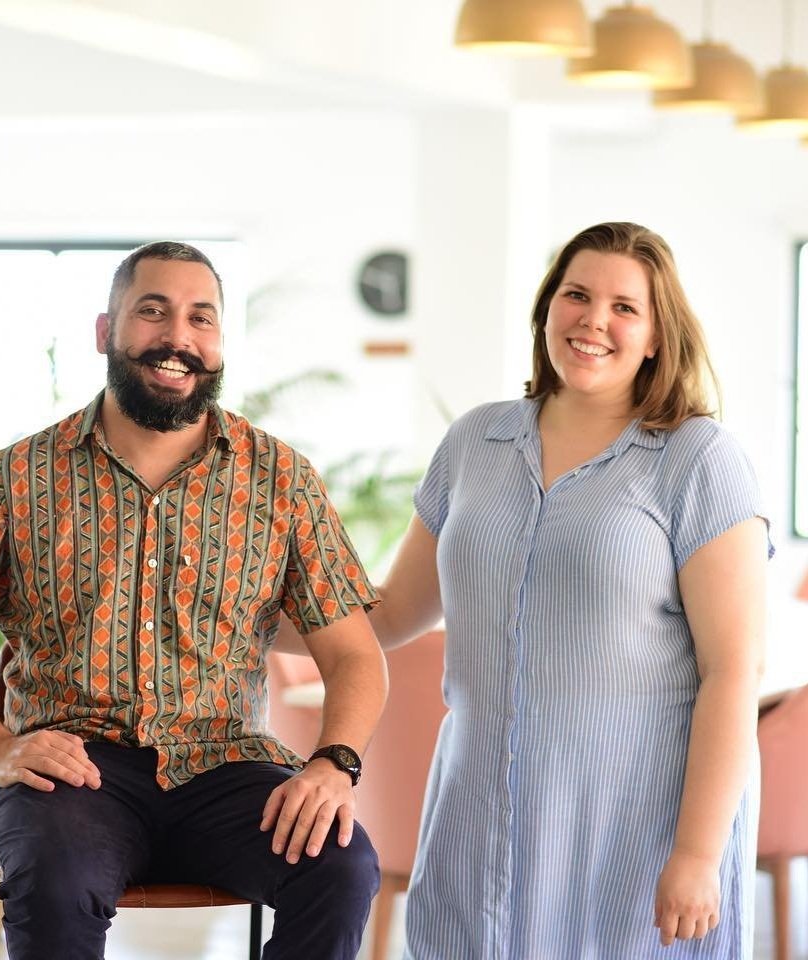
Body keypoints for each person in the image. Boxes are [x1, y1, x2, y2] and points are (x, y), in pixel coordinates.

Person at [0, 241, 388, 960]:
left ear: (218, 341)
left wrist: (331, 764)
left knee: (342, 868)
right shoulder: (20, 476)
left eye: (200, 319)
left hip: (228, 768)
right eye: (152, 312)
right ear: (106, 331)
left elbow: (352, 655)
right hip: (73, 771)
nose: (177, 337)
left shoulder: (282, 479)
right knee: (54, 886)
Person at [326, 222, 768, 958]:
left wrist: (695, 855)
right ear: (547, 310)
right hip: (479, 820)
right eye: (577, 295)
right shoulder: (474, 442)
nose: (595, 320)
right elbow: (395, 611)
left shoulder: (699, 460)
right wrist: (243, 602)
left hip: (633, 829)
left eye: (625, 307)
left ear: (658, 335)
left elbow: (732, 671)